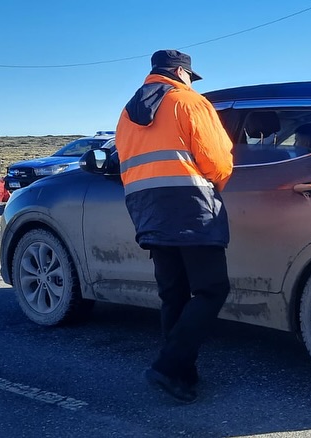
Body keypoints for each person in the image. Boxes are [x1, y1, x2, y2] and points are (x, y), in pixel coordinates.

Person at [114, 49, 234, 404]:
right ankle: (168, 366)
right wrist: (217, 186)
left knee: (174, 293)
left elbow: (125, 163)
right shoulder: (188, 102)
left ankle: (183, 374)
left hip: (147, 210)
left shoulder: (127, 113)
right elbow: (217, 160)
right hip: (190, 206)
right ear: (181, 72)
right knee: (212, 290)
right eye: (190, 76)